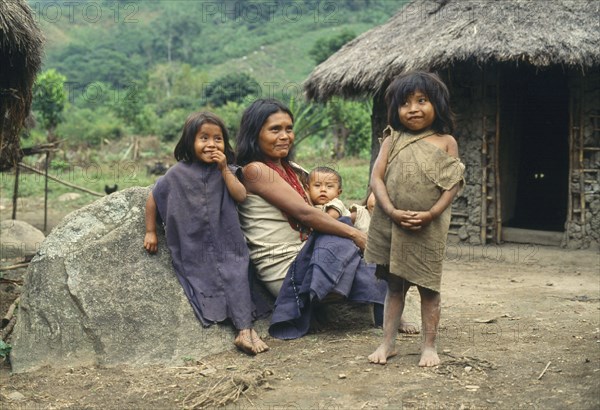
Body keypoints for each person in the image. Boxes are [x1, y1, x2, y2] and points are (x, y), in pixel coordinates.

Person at [235, 98, 386, 340]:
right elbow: (306, 213)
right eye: (275, 129)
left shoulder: (290, 168)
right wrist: (356, 235)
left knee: (359, 219)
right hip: (286, 267)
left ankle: (383, 295)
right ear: (255, 133)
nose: (285, 136)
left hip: (309, 252)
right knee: (344, 231)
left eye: (288, 128)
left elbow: (319, 206)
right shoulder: (256, 170)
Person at [143, 111, 269, 355]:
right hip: (194, 245)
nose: (211, 144)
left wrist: (224, 169)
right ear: (190, 142)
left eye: (218, 139)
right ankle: (245, 330)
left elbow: (241, 195)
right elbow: (153, 198)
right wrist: (150, 231)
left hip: (228, 241)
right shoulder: (176, 174)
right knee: (205, 278)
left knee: (237, 272)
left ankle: (245, 330)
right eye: (204, 138)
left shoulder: (228, 170)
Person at [365, 72, 465, 367]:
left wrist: (432, 213)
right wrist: (392, 211)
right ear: (395, 109)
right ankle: (387, 344)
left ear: (438, 104)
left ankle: (429, 347)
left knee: (429, 289)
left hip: (428, 228)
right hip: (392, 225)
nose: (413, 109)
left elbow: (452, 185)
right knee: (395, 287)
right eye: (405, 103)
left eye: (422, 100)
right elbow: (376, 179)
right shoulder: (391, 139)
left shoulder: (446, 142)